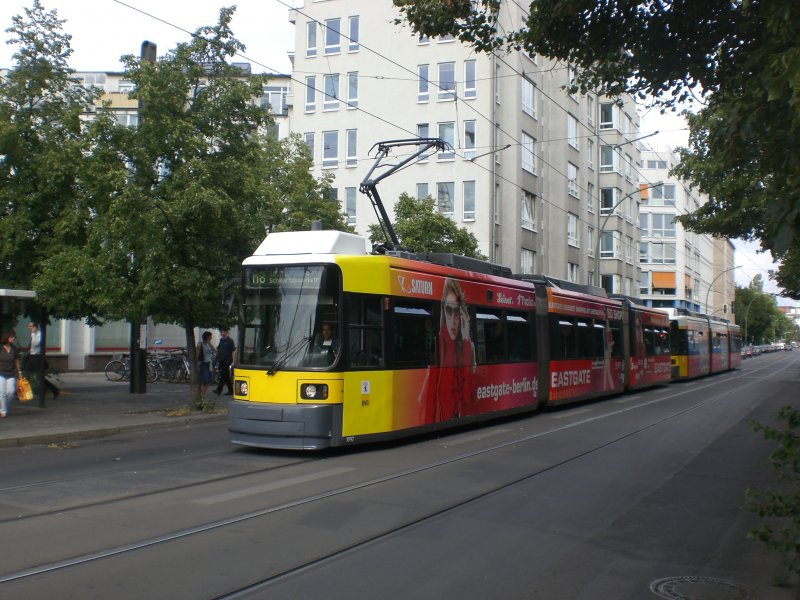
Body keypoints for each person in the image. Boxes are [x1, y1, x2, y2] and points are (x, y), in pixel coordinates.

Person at [436, 278, 475, 420]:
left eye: (456, 312)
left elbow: (466, 397)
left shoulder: (467, 347)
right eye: (448, 310)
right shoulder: (438, 344)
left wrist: (465, 340)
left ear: (462, 315)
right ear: (443, 311)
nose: (452, 320)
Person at [25, 322, 59, 399]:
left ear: (35, 327)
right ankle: (24, 393)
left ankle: (54, 390)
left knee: (39, 377)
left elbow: (36, 343)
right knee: (26, 375)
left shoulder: (39, 334)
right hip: (31, 357)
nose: (29, 328)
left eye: (30, 326)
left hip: (37, 358)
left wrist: (33, 334)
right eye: (29, 326)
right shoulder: (33, 334)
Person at [0, 332, 21, 418]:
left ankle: (4, 406)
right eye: (11, 337)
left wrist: (19, 372)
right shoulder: (0, 348)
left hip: (11, 373)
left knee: (11, 392)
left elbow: (16, 361)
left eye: (13, 337)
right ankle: (3, 411)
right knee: (2, 392)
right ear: (7, 338)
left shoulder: (14, 349)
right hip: (1, 373)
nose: (13, 339)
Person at [214, 328, 236, 396]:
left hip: (227, 361)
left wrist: (233, 361)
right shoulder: (221, 340)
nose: (221, 333)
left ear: (226, 332)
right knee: (226, 377)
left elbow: (233, 351)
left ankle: (218, 390)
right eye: (221, 332)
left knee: (223, 375)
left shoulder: (230, 341)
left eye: (222, 332)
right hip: (221, 360)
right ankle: (231, 390)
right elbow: (219, 349)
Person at [197, 331, 216, 404]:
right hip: (203, 363)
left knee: (209, 380)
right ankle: (201, 396)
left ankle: (202, 395)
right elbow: (197, 354)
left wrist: (210, 343)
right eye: (210, 336)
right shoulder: (200, 344)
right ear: (207, 337)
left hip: (209, 364)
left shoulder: (208, 344)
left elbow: (215, 351)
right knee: (204, 380)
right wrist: (197, 365)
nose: (211, 337)